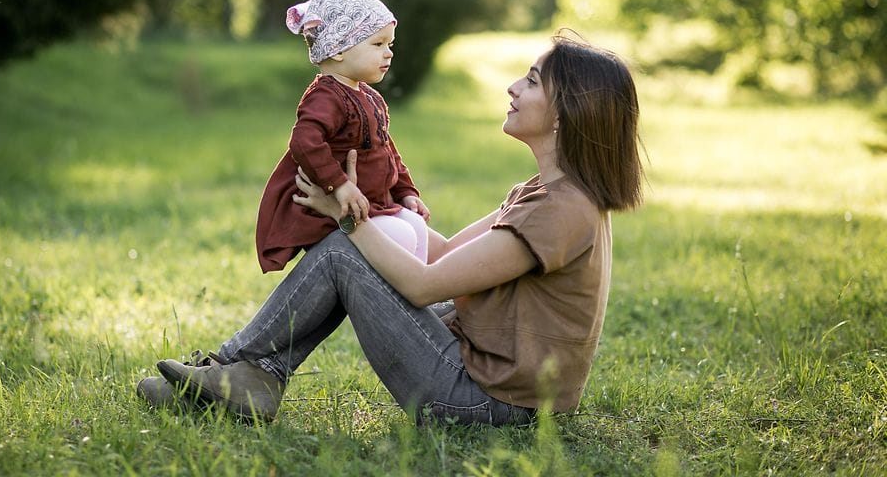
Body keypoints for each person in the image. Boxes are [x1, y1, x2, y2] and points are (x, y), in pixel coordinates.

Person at [137, 33, 645, 426]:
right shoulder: (548, 193)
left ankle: (237, 369)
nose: (513, 88)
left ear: (566, 114)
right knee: (359, 249)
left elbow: (423, 284)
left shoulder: (559, 210)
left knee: (343, 251)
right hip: (496, 381)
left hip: (489, 402)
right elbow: (439, 254)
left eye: (531, 82)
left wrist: (346, 216)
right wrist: (386, 207)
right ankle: (249, 375)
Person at [255, 0, 430, 273]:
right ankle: (385, 294)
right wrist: (339, 185)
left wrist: (406, 192)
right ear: (338, 49)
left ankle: (414, 293)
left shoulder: (370, 96)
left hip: (372, 204)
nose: (388, 53)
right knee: (402, 235)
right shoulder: (326, 96)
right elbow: (304, 141)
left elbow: (387, 151)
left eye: (389, 45)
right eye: (378, 44)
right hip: (333, 206)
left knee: (415, 225)